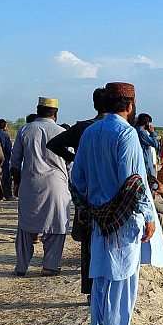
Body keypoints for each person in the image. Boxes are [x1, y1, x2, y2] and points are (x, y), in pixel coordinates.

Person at [70, 81, 163, 325]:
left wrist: (88, 205)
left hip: (98, 218)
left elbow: (76, 177)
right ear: (130, 105)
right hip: (123, 220)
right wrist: (149, 216)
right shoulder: (126, 134)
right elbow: (133, 182)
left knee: (101, 274)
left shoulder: (89, 133)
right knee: (123, 278)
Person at [45, 87, 106, 298]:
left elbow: (54, 144)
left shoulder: (83, 127)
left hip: (87, 193)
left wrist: (74, 158)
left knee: (89, 243)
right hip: (111, 193)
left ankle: (90, 292)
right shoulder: (120, 128)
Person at [10, 97, 68, 277]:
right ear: (56, 114)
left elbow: (15, 161)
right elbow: (71, 162)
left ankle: (21, 266)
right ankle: (50, 265)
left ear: (37, 110)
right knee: (57, 225)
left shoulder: (25, 129)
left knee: (26, 225)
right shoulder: (62, 132)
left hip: (30, 182)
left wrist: (17, 183)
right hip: (56, 184)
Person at [135, 113, 158, 177]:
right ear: (147, 123)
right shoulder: (141, 132)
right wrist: (152, 133)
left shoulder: (135, 130)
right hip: (146, 162)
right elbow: (155, 144)